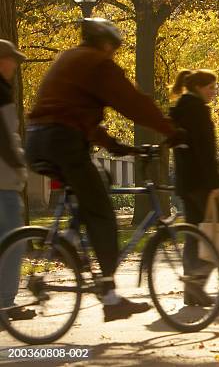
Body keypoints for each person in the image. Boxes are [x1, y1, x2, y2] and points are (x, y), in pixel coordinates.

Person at [25, 18, 184, 321]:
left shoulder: (69, 59)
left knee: (101, 179)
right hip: (63, 141)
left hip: (39, 141)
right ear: (107, 43)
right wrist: (169, 130)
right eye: (114, 47)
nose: (113, 53)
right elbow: (133, 103)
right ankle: (110, 297)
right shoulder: (98, 64)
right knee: (102, 214)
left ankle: (70, 238)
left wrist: (115, 145)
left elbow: (76, 114)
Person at [169, 69, 219, 306]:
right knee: (218, 234)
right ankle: (197, 282)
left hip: (186, 182)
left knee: (193, 236)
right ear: (199, 88)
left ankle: (191, 293)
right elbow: (205, 151)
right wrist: (214, 183)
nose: (213, 92)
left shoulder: (180, 110)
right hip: (201, 182)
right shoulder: (198, 111)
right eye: (211, 87)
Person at [0, 40, 35, 321]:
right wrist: (19, 165)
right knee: (14, 243)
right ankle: (6, 304)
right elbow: (5, 138)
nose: (16, 66)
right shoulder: (1, 91)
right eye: (13, 60)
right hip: (3, 180)